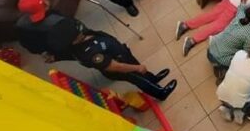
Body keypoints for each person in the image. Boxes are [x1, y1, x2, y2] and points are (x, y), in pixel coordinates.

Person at [48, 17, 177, 100]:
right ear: (74, 38)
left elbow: (66, 55)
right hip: (121, 67)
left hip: (122, 55)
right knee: (138, 78)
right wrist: (137, 68)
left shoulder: (82, 38)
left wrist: (55, 57)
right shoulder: (89, 54)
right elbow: (114, 66)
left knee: (141, 72)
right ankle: (160, 92)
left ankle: (153, 78)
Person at [14, 0, 83, 61]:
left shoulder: (20, 25)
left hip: (52, 50)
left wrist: (45, 53)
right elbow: (78, 36)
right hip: (73, 47)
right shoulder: (60, 22)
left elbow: (30, 47)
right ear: (46, 3)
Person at [207, 2, 250, 69]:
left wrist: (243, 0)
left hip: (210, 50)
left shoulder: (240, 16)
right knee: (244, 60)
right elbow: (247, 52)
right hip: (219, 59)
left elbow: (241, 8)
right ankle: (221, 69)